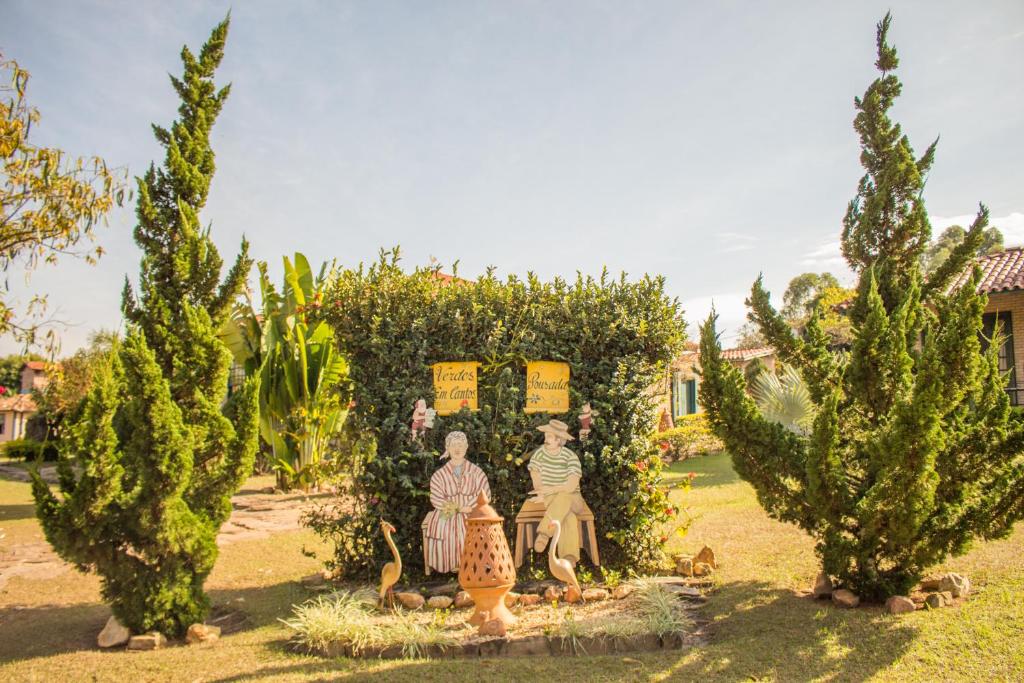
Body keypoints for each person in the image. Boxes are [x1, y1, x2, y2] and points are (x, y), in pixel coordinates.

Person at [422, 431, 491, 574]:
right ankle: (451, 564)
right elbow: (436, 498)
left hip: (471, 510)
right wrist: (456, 508)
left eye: (460, 445)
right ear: (447, 448)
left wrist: (469, 507)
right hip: (447, 512)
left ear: (466, 447)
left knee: (475, 528)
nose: (457, 449)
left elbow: (484, 494)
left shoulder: (477, 472)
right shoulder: (439, 475)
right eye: (453, 445)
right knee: (445, 528)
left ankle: (473, 565)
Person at [528, 418, 585, 564]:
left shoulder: (570, 457)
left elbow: (571, 486)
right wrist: (541, 492)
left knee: (565, 496)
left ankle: (545, 532)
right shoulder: (540, 454)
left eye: (549, 437)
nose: (545, 440)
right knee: (568, 517)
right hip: (551, 500)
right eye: (545, 436)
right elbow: (535, 473)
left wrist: (551, 489)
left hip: (573, 499)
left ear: (559, 440)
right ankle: (569, 558)